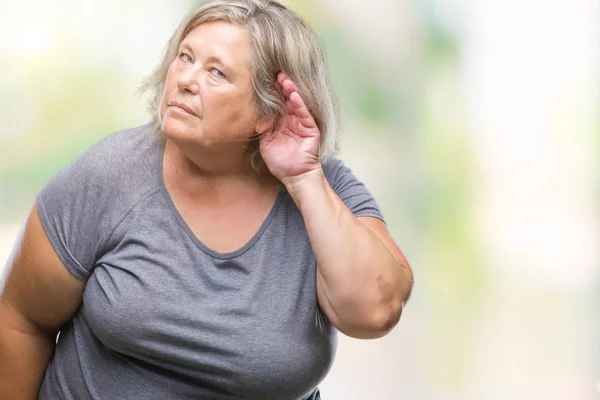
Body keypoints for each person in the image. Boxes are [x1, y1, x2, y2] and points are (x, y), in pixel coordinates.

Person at [0, 0, 413, 398]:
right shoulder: (109, 176)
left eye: (217, 72)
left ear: (270, 110)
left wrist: (303, 179)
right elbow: (20, 318)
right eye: (185, 57)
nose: (185, 79)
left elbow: (374, 312)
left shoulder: (326, 191)